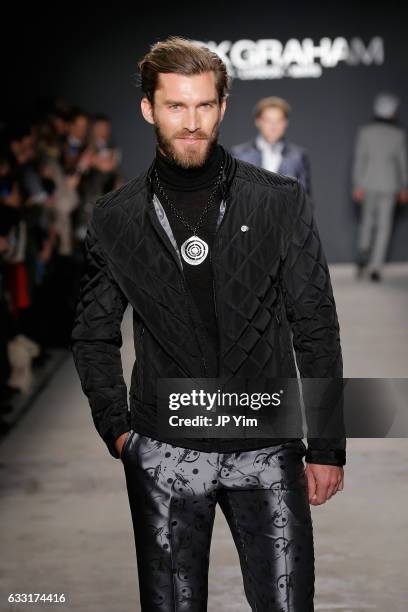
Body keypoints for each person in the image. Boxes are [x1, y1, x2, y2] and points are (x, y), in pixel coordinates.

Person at [71, 36, 345, 611]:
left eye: (203, 106)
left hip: (266, 447)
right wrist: (120, 431)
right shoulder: (115, 218)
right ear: (149, 108)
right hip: (165, 451)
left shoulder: (279, 200)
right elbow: (94, 331)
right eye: (175, 106)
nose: (191, 122)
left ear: (221, 107)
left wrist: (325, 445)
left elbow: (313, 320)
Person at [352, 92, 408, 281]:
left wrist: (357, 184)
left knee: (367, 222)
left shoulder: (365, 132)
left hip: (368, 183)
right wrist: (403, 187)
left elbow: (360, 160)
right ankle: (375, 267)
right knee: (384, 227)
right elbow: (402, 164)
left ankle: (363, 255)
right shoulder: (398, 134)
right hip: (389, 184)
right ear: (392, 113)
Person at [232, 96, 312, 197]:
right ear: (258, 122)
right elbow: (234, 196)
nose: (273, 126)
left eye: (279, 121)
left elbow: (304, 199)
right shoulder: (240, 154)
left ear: (285, 123)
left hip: (286, 212)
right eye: (268, 120)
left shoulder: (298, 156)